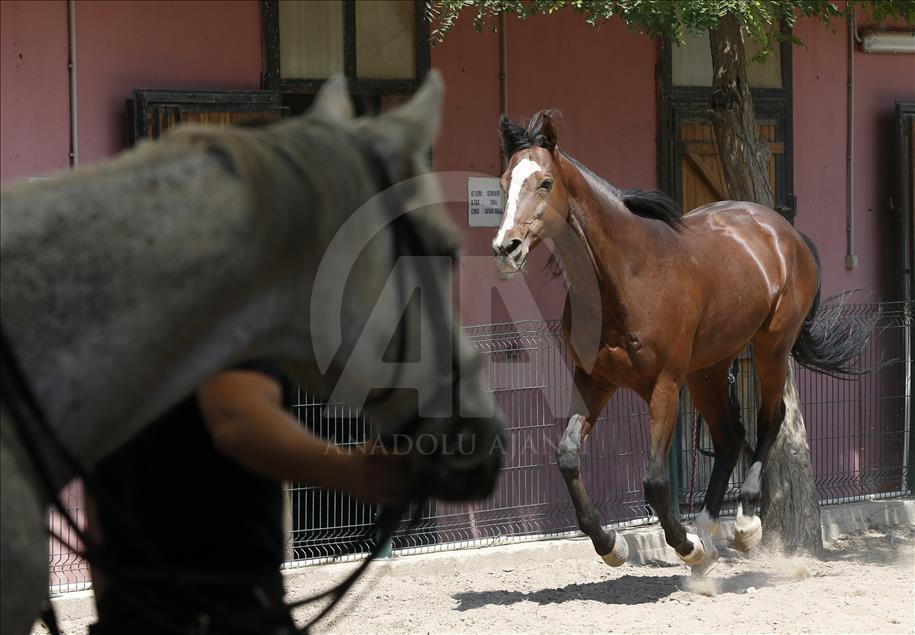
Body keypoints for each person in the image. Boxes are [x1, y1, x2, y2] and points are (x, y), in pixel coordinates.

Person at [87, 360, 409, 634]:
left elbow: (96, 513)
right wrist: (353, 473)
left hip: (129, 611)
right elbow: (237, 423)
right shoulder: (225, 330)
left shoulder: (114, 356)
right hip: (229, 610)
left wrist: (111, 612)